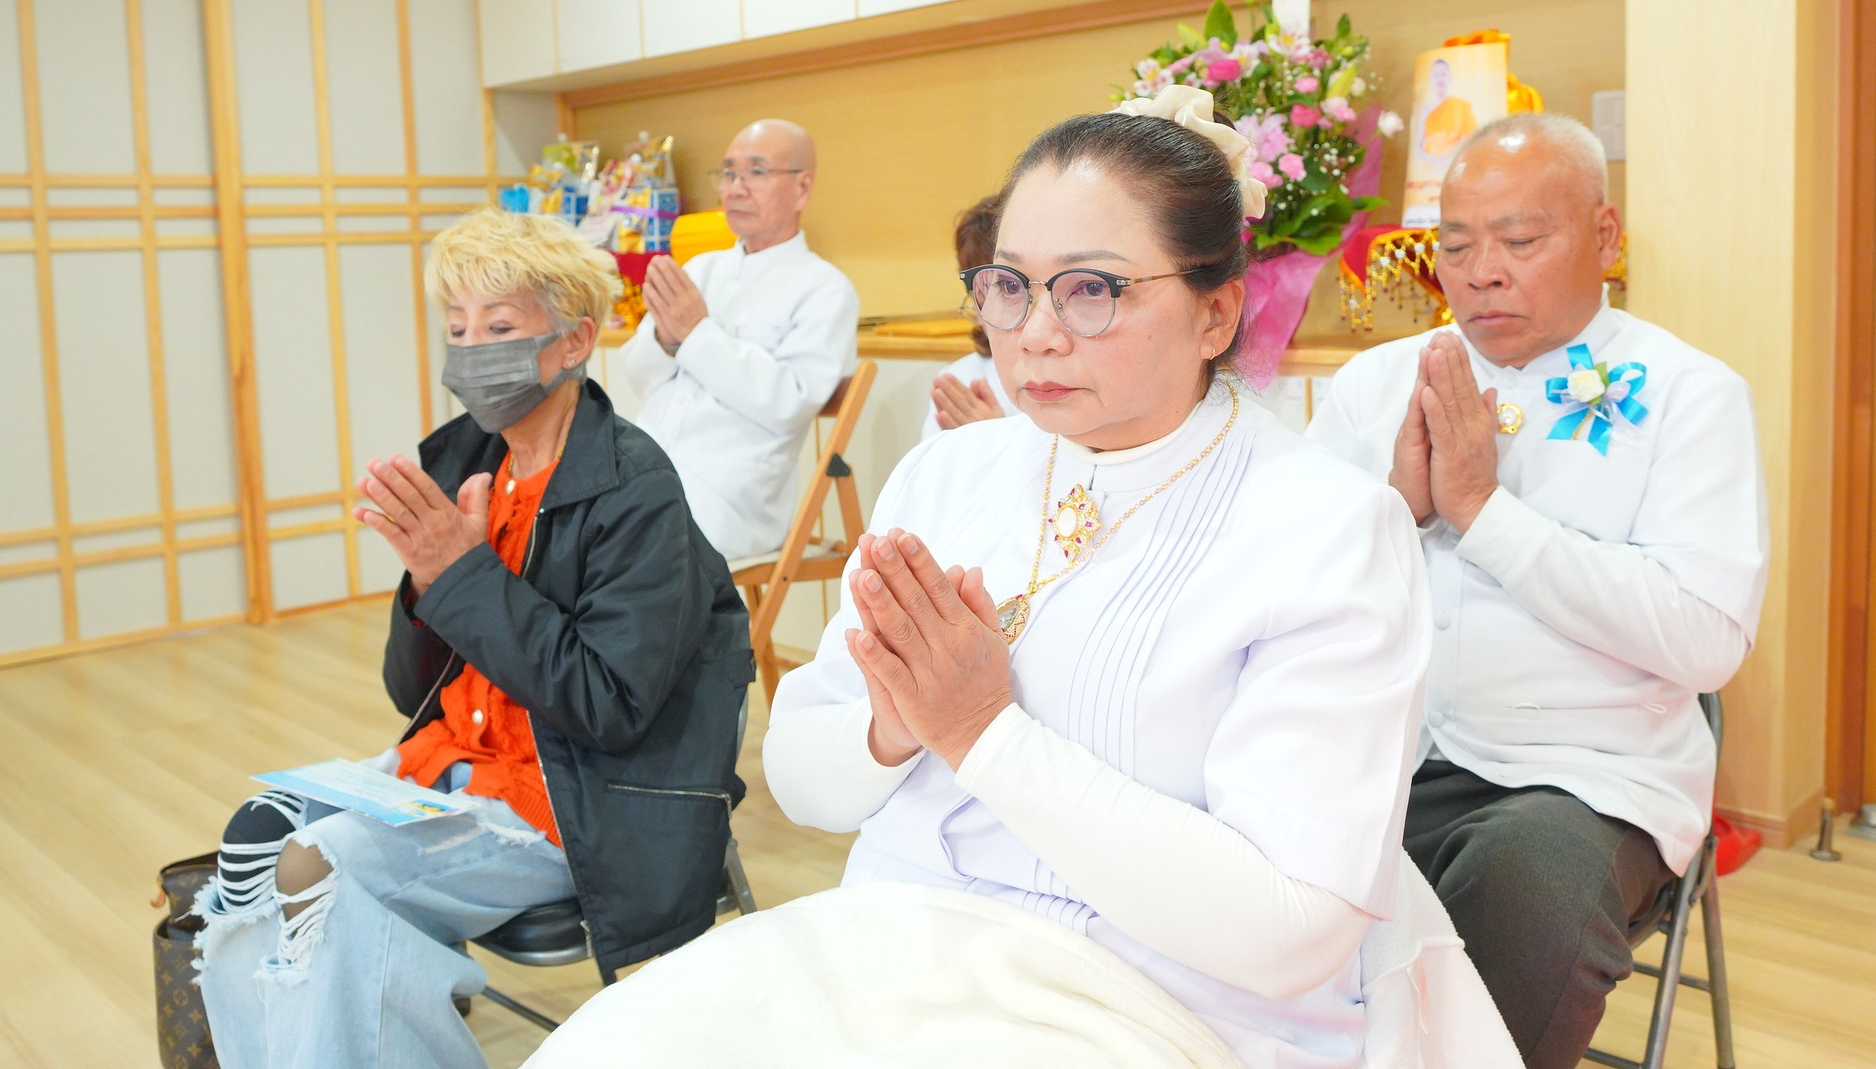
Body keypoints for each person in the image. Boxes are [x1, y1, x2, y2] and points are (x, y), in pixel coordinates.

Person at [528, 85, 1474, 1069]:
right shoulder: (951, 474)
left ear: (1215, 313)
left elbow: (1286, 933)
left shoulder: (1323, 526)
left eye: (1092, 290)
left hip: (1157, 996)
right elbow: (800, 775)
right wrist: (895, 727)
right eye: (1009, 285)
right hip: (895, 944)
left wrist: (980, 734)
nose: (1035, 334)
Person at [194, 207, 752, 1069]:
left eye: (499, 326)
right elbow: (407, 688)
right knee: (250, 844)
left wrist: (462, 576)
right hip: (445, 770)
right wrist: (428, 585)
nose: (471, 350)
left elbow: (610, 707)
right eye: (457, 327)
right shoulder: (462, 456)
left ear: (574, 341)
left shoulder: (634, 491)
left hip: (573, 799)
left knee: (324, 868)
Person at [1307, 113, 1768, 1068]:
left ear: (1604, 236)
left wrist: (1484, 513)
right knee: (1248, 851)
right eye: (1458, 244)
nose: (1481, 271)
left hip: (1587, 775)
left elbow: (1708, 638)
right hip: (1386, 749)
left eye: (1519, 240)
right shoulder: (1374, 382)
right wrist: (1399, 507)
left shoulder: (1689, 393)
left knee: (1526, 888)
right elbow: (1293, 591)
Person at [617, 118, 859, 561]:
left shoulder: (825, 288)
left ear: (802, 188)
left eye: (756, 172)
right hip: (643, 468)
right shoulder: (700, 270)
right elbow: (636, 375)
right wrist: (667, 341)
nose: (735, 188)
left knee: (620, 553)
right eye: (728, 173)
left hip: (727, 499)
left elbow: (788, 404)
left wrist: (695, 334)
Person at [919, 193, 1017, 442]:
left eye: (1010, 286)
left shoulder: (1068, 372)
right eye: (981, 288)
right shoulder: (960, 380)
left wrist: (996, 440)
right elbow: (931, 478)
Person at [1420, 56, 1478, 156]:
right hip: (1431, 166)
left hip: (1455, 163)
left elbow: (1474, 140)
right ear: (1431, 79)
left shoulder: (1461, 106)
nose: (1440, 79)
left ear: (1449, 77)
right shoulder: (1426, 110)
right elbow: (1420, 147)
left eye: (1443, 74)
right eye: (1436, 75)